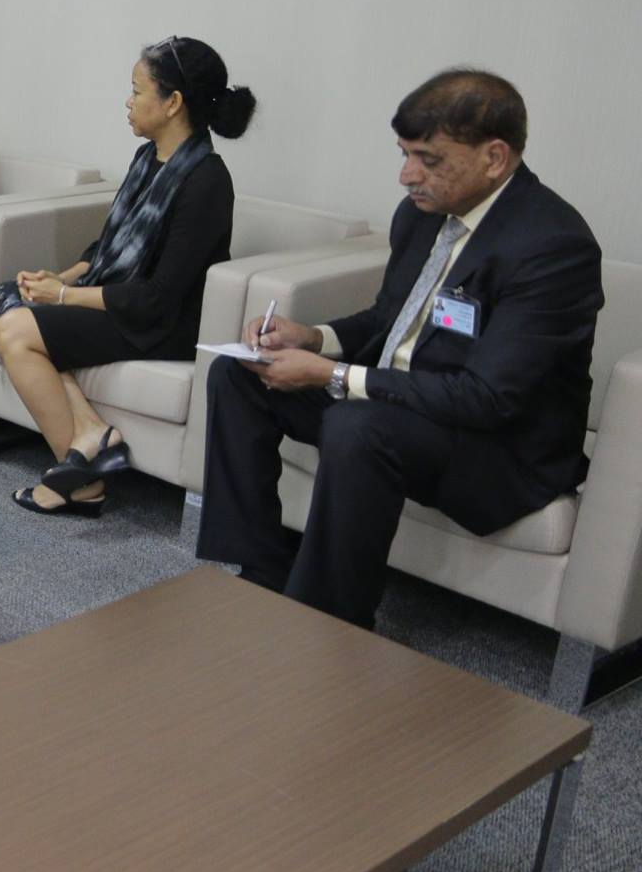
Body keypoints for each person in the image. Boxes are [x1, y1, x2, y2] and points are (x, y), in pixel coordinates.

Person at [197, 69, 601, 628]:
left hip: (493, 444)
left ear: (494, 158)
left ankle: (327, 621)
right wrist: (314, 338)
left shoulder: (552, 246)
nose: (407, 175)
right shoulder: (421, 214)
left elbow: (488, 398)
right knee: (239, 374)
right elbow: (391, 318)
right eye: (405, 154)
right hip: (404, 404)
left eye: (428, 160)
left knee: (358, 426)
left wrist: (332, 376)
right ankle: (261, 571)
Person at [0, 36, 256, 516]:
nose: (127, 102)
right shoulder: (147, 158)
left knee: (16, 329)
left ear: (172, 102)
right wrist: (60, 278)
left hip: (163, 323)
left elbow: (158, 296)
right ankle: (90, 430)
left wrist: (63, 296)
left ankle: (80, 480)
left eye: (136, 90)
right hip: (122, 299)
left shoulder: (207, 181)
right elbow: (108, 246)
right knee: (3, 299)